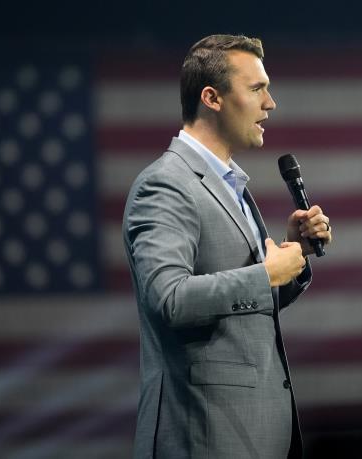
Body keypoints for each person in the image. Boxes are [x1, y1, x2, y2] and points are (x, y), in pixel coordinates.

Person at [123, 34, 333, 459]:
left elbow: (244, 309)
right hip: (205, 437)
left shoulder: (229, 183)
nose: (270, 103)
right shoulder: (165, 184)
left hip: (250, 434)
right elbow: (169, 299)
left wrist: (290, 257)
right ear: (211, 98)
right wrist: (265, 274)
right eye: (256, 89)